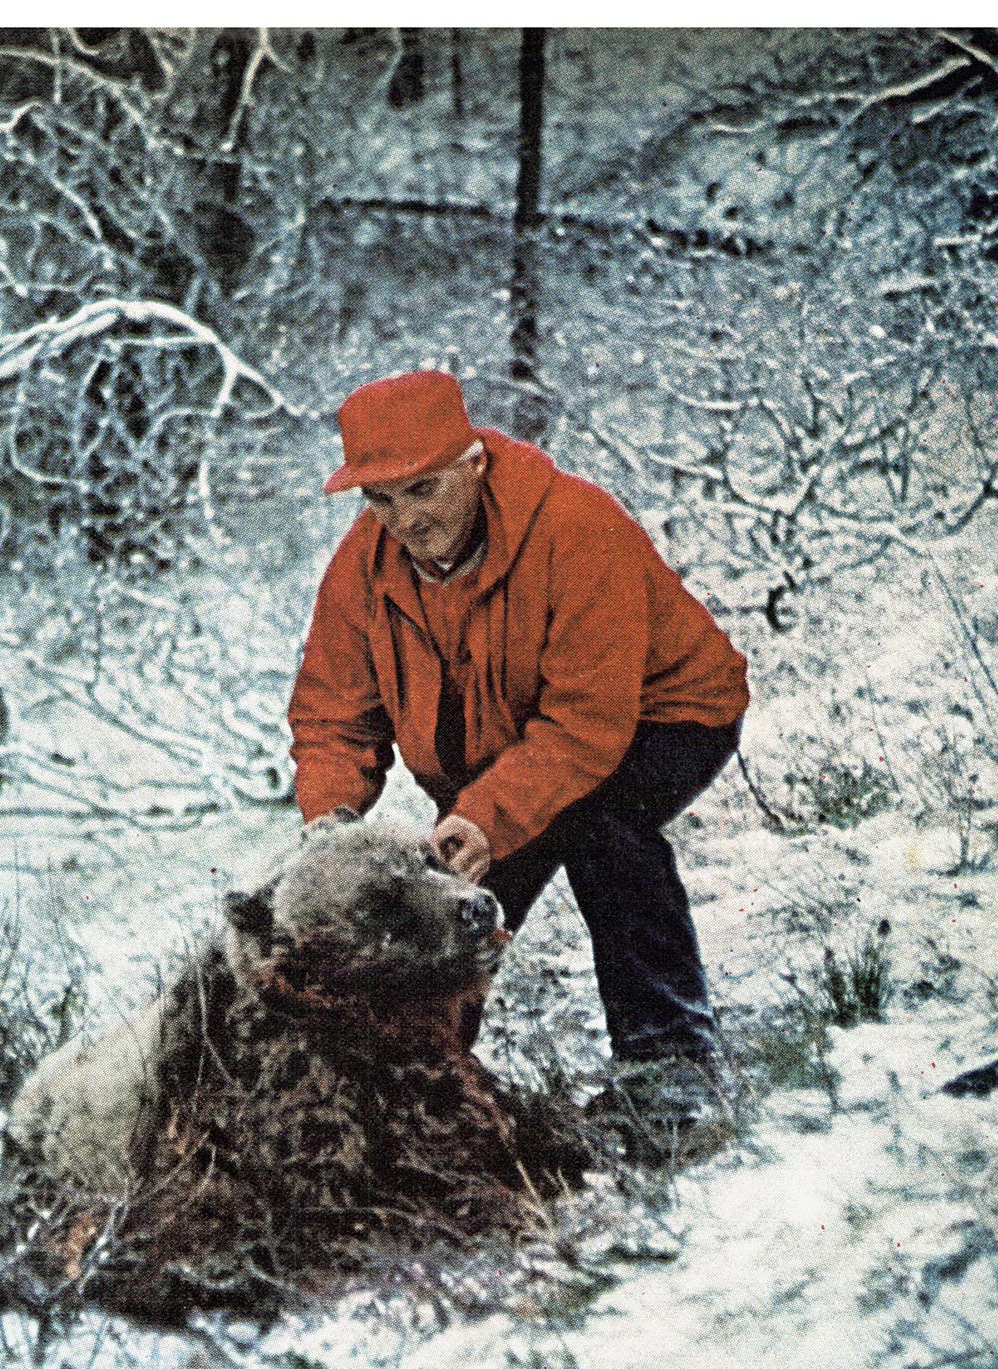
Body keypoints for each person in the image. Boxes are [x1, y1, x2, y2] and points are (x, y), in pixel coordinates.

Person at [288, 370, 750, 1106]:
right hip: (512, 747)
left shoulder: (575, 528)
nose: (403, 519)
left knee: (600, 825)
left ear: (473, 464)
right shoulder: (363, 566)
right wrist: (330, 827)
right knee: (440, 897)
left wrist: (486, 814)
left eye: (423, 488)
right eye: (380, 498)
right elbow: (331, 716)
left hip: (666, 713)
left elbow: (585, 723)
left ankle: (672, 1072)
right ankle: (416, 1084)